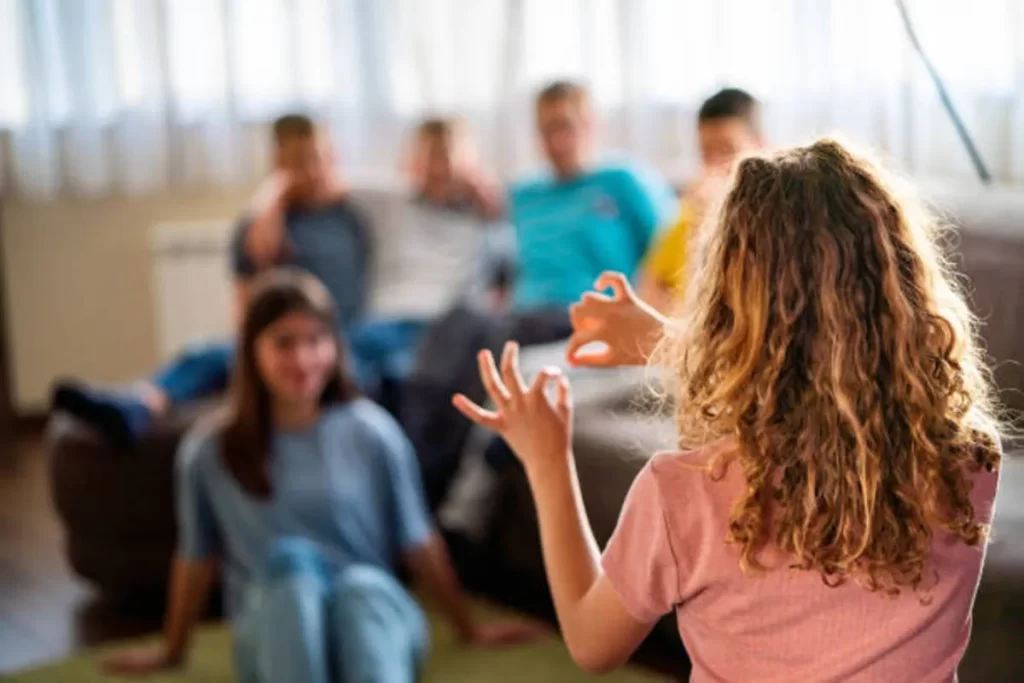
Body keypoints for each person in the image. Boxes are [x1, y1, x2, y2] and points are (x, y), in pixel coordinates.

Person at [455, 139, 1002, 681]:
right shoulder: (970, 460)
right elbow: (827, 367)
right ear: (902, 282)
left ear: (725, 301)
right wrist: (667, 341)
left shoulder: (685, 493)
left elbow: (591, 642)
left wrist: (548, 461)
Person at [104, 270, 541, 682]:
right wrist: (172, 651)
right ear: (251, 350)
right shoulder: (207, 450)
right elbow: (195, 558)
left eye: (316, 340)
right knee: (291, 566)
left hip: (372, 616)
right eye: (284, 343)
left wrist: (469, 629)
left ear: (335, 346)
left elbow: (419, 541)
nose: (303, 358)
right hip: (275, 631)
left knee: (361, 588)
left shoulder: (373, 433)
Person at [404, 80, 677, 509]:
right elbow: (460, 198)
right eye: (547, 129)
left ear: (591, 126)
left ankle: (434, 496)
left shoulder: (624, 181)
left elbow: (671, 253)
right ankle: (413, 479)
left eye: (566, 126)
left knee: (496, 353)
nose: (557, 140)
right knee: (455, 328)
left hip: (581, 316)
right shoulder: (523, 193)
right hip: (519, 314)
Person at [51, 113, 371, 446]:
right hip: (282, 337)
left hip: (345, 336)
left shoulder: (353, 213)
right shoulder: (256, 230)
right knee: (204, 356)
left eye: (321, 158)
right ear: (279, 163)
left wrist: (271, 194)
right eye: (301, 161)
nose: (314, 170)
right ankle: (138, 406)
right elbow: (244, 308)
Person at [349, 117, 512, 412]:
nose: (439, 169)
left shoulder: (488, 214)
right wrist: (274, 199)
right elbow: (318, 183)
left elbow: (509, 273)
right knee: (349, 364)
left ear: (469, 164)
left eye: (447, 157)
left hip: (447, 327)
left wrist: (494, 205)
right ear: (412, 161)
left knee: (411, 376)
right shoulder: (387, 199)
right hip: (387, 323)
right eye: (430, 157)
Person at [638, 87, 764, 313]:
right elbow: (650, 289)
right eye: (706, 152)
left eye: (728, 150)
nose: (715, 163)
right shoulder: (689, 212)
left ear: (760, 145)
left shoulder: (771, 219)